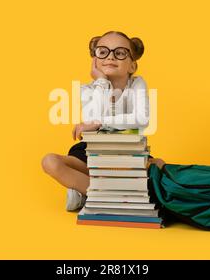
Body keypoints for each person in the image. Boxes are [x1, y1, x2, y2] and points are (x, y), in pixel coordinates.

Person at [41, 31, 165, 211]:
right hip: (91, 153)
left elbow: (142, 118)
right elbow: (92, 119)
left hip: (127, 153)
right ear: (95, 61)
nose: (110, 57)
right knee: (50, 161)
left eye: (120, 53)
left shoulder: (137, 84)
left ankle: (85, 190)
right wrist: (101, 81)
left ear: (132, 65)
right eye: (103, 52)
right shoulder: (88, 89)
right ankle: (107, 194)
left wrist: (101, 123)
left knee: (160, 166)